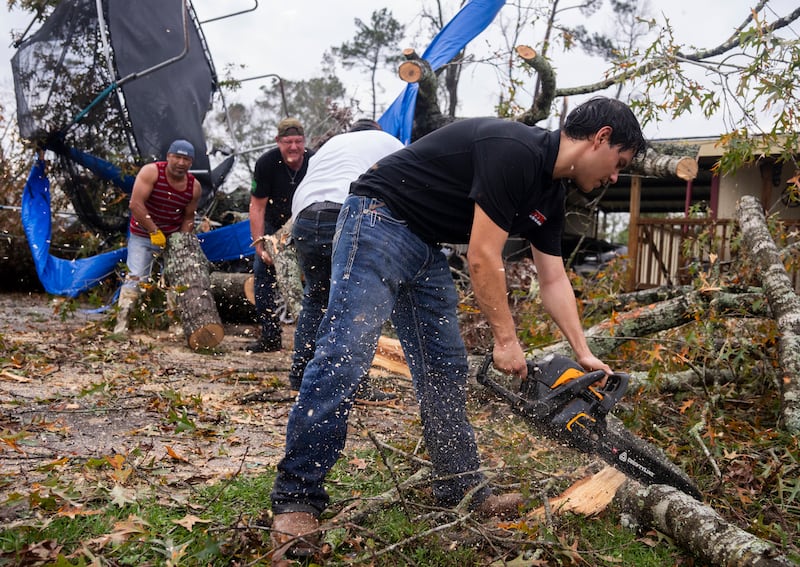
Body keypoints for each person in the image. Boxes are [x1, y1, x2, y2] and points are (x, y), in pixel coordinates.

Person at [268, 97, 647, 556]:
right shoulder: (516, 149)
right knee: (346, 353)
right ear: (601, 137)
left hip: (423, 242)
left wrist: (582, 351)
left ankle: (460, 487)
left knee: (444, 370)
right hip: (377, 218)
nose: (613, 176)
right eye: (618, 163)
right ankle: (296, 497)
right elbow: (483, 256)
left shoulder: (550, 195)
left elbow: (554, 277)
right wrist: (506, 341)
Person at [288, 118, 404, 401]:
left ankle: (300, 377)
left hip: (304, 217)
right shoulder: (390, 143)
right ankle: (352, 383)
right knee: (360, 301)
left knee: (316, 297)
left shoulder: (331, 144)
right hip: (344, 213)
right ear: (377, 132)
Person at [114, 139, 202, 334]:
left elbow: (188, 217)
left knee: (175, 280)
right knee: (136, 277)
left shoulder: (193, 187)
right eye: (177, 157)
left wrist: (182, 242)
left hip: (172, 237)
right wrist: (153, 231)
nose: (181, 162)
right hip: (143, 235)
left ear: (191, 162)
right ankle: (122, 323)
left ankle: (176, 324)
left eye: (186, 159)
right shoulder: (151, 172)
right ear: (169, 156)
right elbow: (135, 204)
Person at [246, 118, 315, 352]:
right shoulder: (266, 163)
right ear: (278, 141)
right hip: (274, 226)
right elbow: (257, 206)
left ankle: (312, 336)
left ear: (304, 141)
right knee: (262, 275)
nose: (294, 147)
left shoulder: (315, 161)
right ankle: (270, 336)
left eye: (298, 141)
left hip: (306, 223)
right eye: (288, 142)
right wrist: (259, 243)